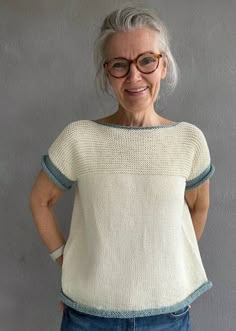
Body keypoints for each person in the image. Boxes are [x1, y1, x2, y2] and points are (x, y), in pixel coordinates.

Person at [29, 5, 215, 331]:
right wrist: (67, 261)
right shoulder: (79, 138)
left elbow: (199, 206)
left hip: (167, 318)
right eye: (119, 65)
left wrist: (168, 263)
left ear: (163, 65)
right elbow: (40, 201)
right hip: (88, 317)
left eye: (146, 60)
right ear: (107, 72)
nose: (134, 76)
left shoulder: (189, 140)